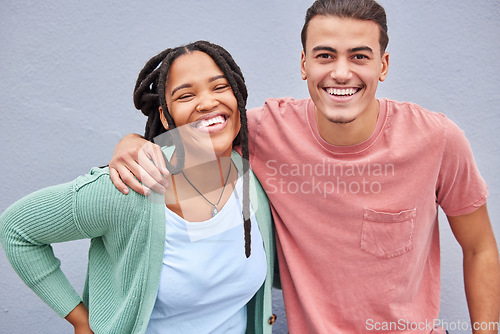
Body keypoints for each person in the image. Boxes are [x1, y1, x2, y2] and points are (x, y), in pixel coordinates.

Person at [108, 1, 500, 333]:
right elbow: (194, 135)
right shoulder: (260, 133)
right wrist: (135, 143)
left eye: (359, 56)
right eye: (325, 55)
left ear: (382, 66)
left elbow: (480, 248)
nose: (341, 72)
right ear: (304, 64)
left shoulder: (437, 140)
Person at [0, 40, 276, 334]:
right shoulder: (131, 186)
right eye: (186, 95)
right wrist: (82, 322)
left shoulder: (255, 176)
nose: (207, 102)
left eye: (220, 87)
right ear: (165, 118)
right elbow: (17, 229)